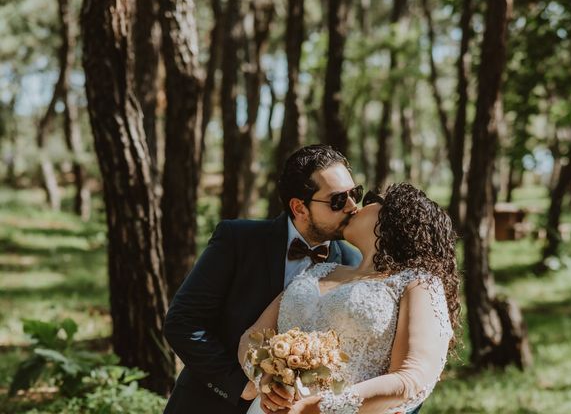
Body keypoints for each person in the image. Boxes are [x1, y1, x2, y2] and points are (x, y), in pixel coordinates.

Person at [163, 145, 363, 414]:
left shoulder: (352, 263)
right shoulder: (237, 240)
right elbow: (182, 322)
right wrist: (238, 384)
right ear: (299, 207)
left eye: (355, 194)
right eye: (338, 200)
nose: (352, 207)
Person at [238, 183, 460, 414]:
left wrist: (319, 407)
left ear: (397, 217)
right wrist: (264, 378)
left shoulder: (417, 282)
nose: (352, 207)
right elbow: (253, 337)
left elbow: (413, 377)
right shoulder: (318, 271)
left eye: (369, 200)